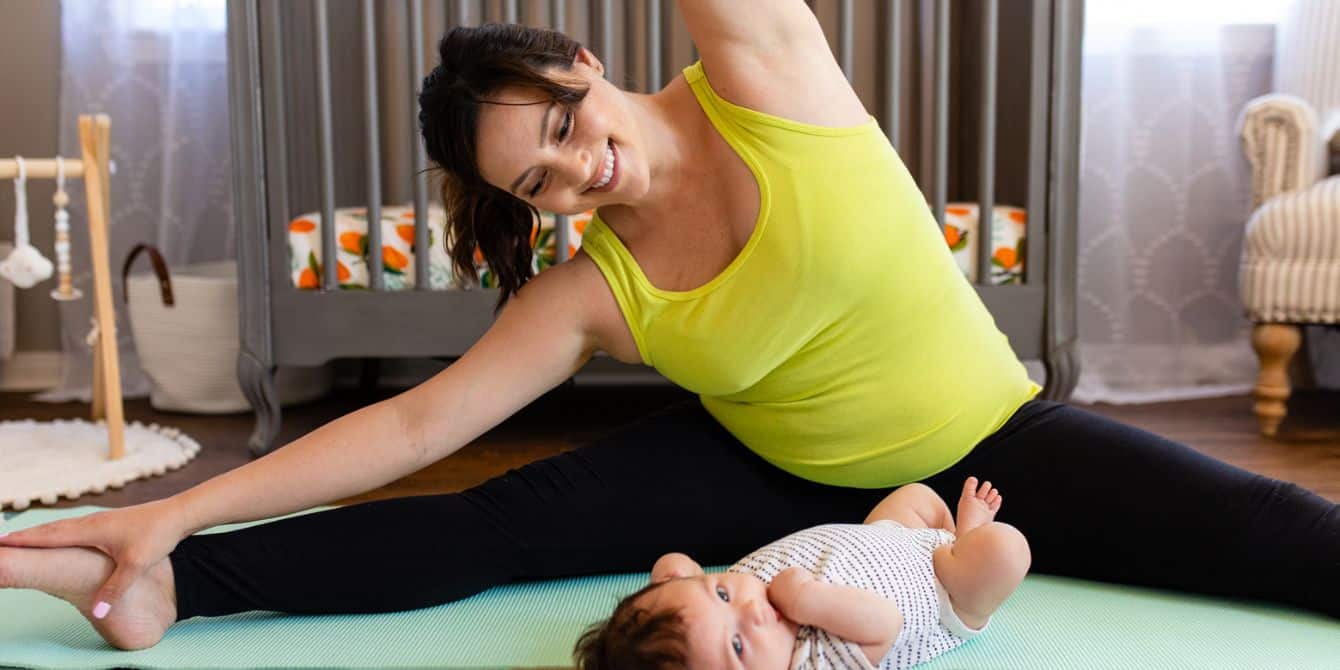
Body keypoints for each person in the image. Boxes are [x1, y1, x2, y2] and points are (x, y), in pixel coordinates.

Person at [0, 0, 1335, 653]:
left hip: (990, 435)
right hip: (765, 465)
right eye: (540, 181)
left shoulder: (761, 66)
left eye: (568, 130)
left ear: (583, 63)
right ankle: (165, 579)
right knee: (484, 527)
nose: (579, 175)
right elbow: (416, 422)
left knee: (1268, 537)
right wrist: (183, 507)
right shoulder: (592, 285)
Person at [573, 477, 1031, 670]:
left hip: (889, 536)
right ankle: (970, 541)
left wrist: (679, 582)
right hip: (941, 595)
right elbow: (885, 623)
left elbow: (675, 566)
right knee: (1006, 552)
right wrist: (808, 599)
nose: (751, 613)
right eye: (737, 647)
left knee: (916, 494)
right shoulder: (809, 660)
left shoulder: (735, 592)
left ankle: (955, 542)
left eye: (722, 596)